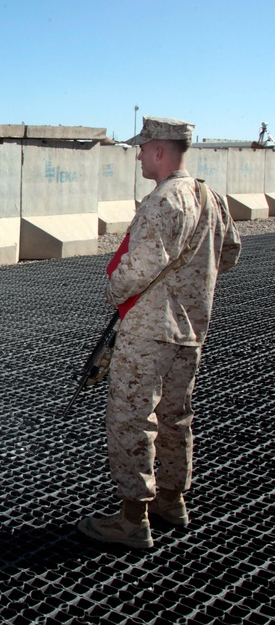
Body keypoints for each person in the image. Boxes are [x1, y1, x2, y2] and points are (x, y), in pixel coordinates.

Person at [77, 116, 241, 549]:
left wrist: (113, 289)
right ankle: (172, 499)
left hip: (150, 331)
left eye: (142, 150)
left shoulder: (162, 201)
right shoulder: (210, 196)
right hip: (191, 329)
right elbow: (230, 254)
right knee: (176, 416)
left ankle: (133, 519)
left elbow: (136, 269)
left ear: (159, 150)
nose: (138, 157)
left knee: (131, 419)